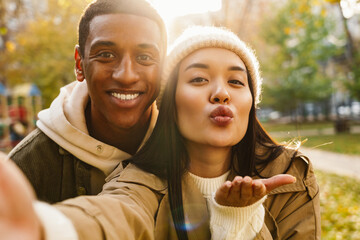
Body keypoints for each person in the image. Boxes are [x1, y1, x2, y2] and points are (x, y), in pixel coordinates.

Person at [0, 26, 320, 239]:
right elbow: (114, 213)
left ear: (251, 101)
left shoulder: (290, 175)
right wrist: (45, 227)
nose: (221, 93)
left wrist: (239, 219)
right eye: (198, 79)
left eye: (237, 82)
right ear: (169, 102)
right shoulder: (142, 177)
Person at [8, 0, 167, 203]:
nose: (126, 76)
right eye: (106, 55)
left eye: (145, 57)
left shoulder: (188, 148)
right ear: (79, 64)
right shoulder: (26, 170)